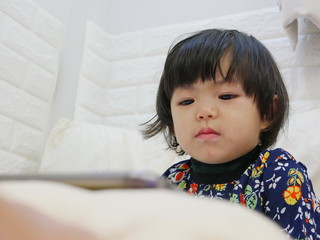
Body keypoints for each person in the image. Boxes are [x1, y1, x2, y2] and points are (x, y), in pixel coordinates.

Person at [142, 29, 320, 240]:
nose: (204, 112)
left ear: (267, 112)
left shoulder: (278, 173)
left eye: (226, 96)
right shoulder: (171, 182)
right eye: (187, 101)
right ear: (171, 123)